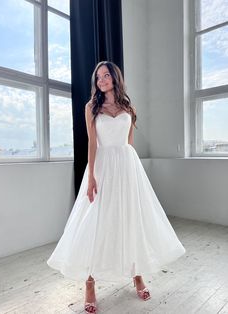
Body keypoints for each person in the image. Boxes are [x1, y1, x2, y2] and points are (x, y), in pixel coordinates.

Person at [47, 61, 186, 313]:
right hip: (102, 167)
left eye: (106, 75)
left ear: (115, 78)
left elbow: (129, 143)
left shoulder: (128, 107)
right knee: (96, 222)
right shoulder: (91, 107)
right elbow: (91, 144)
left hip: (127, 167)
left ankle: (137, 275)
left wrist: (132, 173)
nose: (101, 80)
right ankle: (89, 283)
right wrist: (90, 177)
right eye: (98, 77)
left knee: (131, 219)